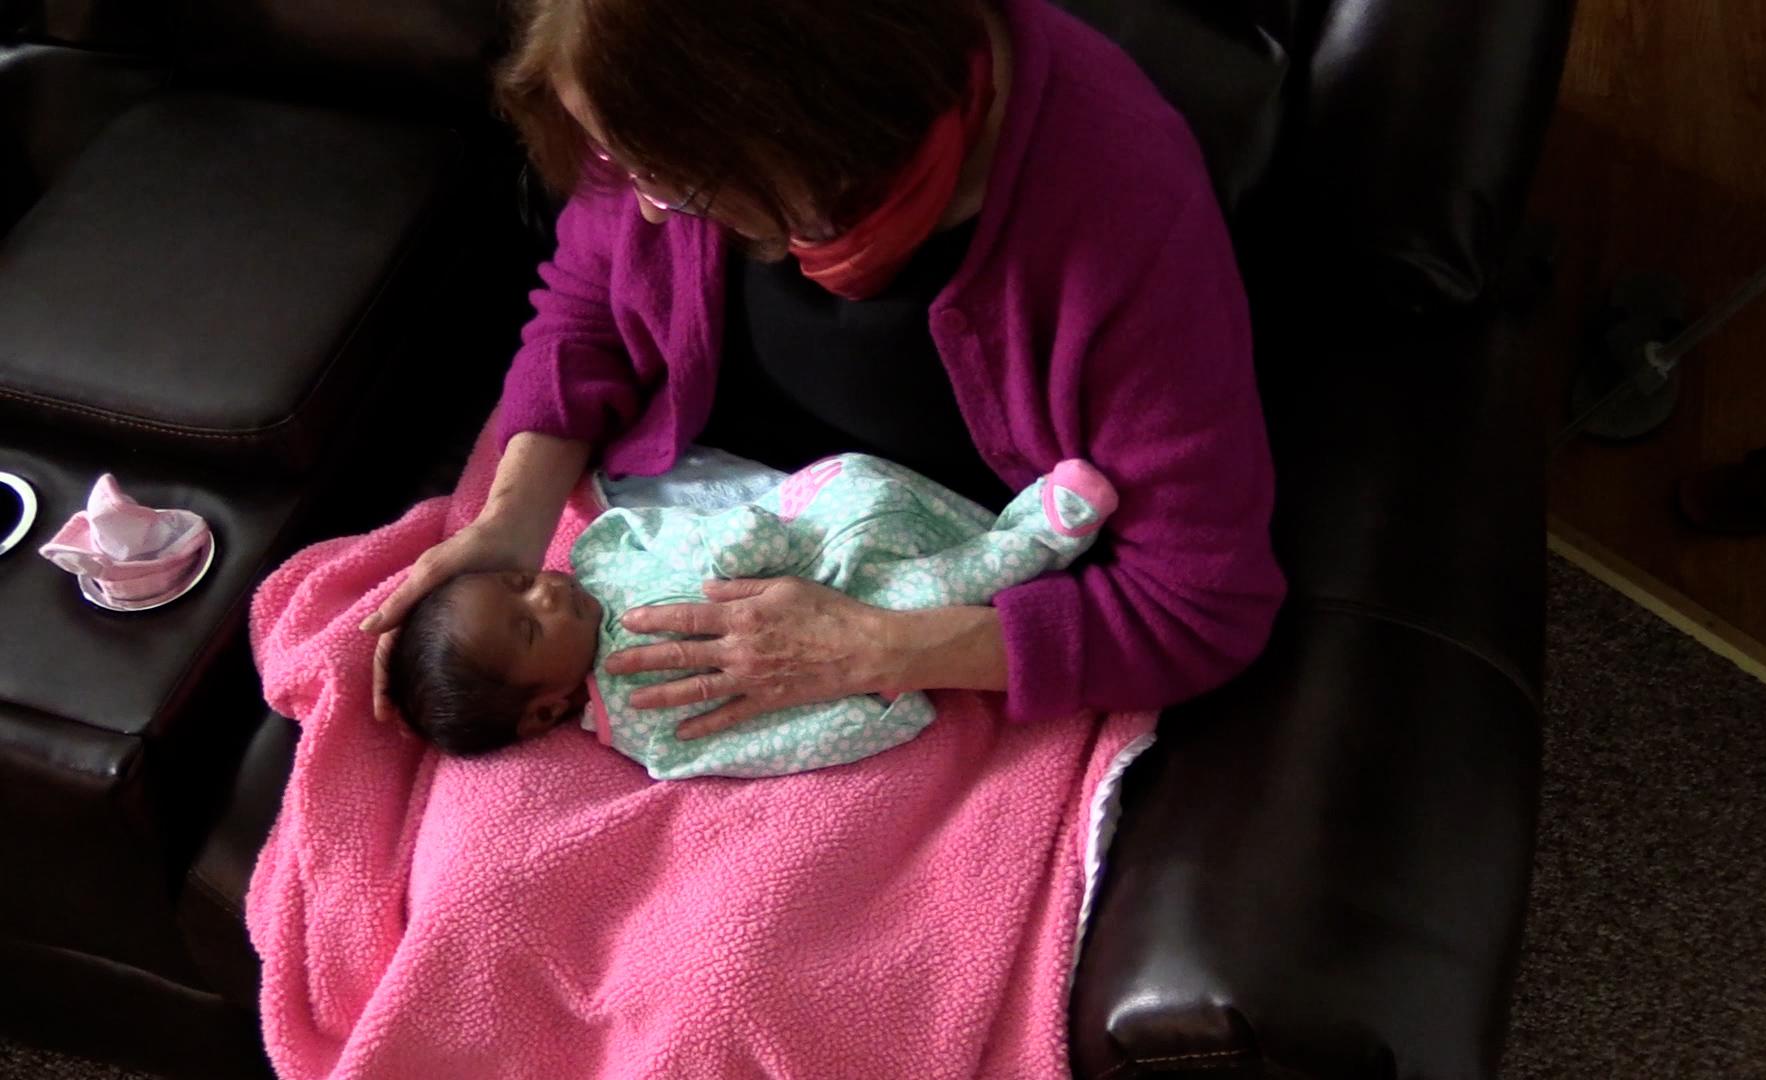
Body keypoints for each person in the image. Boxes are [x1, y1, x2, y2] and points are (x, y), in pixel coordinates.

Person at [360, 0, 1285, 734]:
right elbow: (588, 297)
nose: (644, 211)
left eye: (681, 184)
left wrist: (881, 649)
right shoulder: (656, 100)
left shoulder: (1122, 221)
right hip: (687, 495)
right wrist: (512, 521)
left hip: (927, 596)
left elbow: (1200, 607)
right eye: (617, 161)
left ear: (812, 137)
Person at [385, 452, 1116, 778]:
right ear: (544, 710)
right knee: (932, 589)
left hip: (814, 521)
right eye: (528, 628)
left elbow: (678, 527)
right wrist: (875, 710)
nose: (543, 594)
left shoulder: (601, 554)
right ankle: (1040, 534)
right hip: (863, 608)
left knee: (869, 486)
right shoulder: (650, 727)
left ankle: (1003, 518)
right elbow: (770, 741)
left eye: (520, 582)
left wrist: (735, 543)